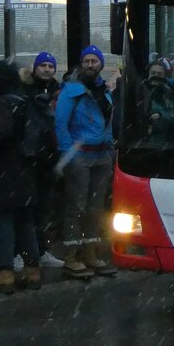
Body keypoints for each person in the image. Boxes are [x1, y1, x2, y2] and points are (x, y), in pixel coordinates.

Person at [54, 45, 116, 280]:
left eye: (94, 61)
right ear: (82, 64)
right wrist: (69, 153)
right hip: (81, 156)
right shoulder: (71, 91)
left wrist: (110, 149)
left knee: (95, 207)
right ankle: (72, 256)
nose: (91, 65)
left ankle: (90, 253)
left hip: (101, 155)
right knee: (77, 206)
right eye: (87, 61)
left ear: (100, 64)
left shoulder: (103, 90)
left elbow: (108, 123)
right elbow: (61, 124)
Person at [0, 60, 40, 292]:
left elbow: (1, 135)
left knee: (3, 222)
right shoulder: (23, 99)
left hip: (5, 172)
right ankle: (32, 270)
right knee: (26, 223)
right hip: (25, 170)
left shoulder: (2, 101)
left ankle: (5, 272)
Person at [22, 52, 64, 269]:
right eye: (43, 65)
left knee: (43, 208)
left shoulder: (58, 92)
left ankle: (40, 250)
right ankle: (26, 252)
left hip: (48, 158)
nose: (47, 69)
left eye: (50, 66)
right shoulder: (26, 93)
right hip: (32, 158)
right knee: (29, 208)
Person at [144, 57, 174, 141]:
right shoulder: (140, 93)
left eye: (159, 74)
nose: (156, 77)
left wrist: (160, 116)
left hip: (164, 144)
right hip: (143, 146)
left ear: (165, 77)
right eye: (153, 73)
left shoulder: (170, 94)